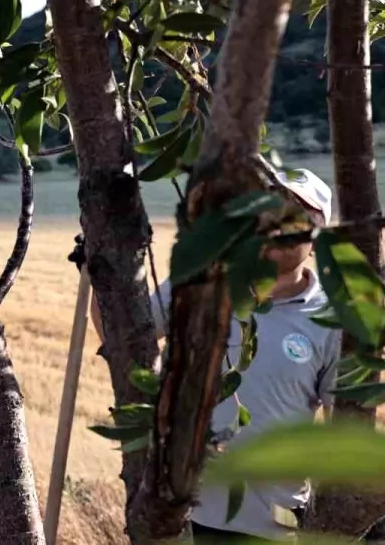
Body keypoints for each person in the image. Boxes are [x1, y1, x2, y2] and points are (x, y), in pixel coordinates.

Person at [90, 169, 340, 543]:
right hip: (177, 517)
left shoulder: (331, 322)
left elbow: (345, 428)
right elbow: (122, 334)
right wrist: (101, 265)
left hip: (273, 527)